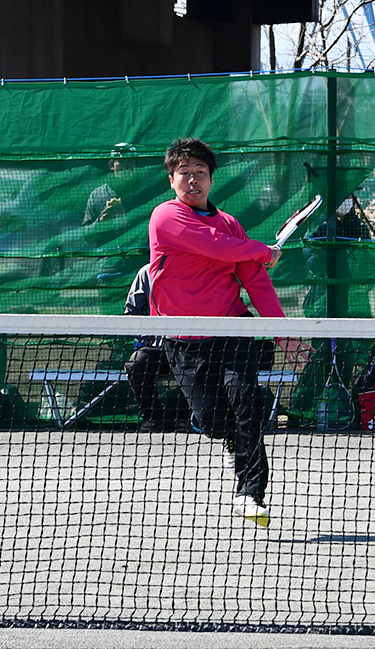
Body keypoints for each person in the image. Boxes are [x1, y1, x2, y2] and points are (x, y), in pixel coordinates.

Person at [149, 137, 304, 528]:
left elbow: (256, 283)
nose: (193, 179)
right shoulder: (165, 217)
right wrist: (263, 251)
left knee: (247, 403)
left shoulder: (231, 224)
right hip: (183, 339)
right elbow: (214, 247)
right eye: (184, 173)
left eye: (200, 172)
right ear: (171, 180)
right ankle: (231, 439)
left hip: (233, 328)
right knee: (215, 421)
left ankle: (250, 492)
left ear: (212, 178)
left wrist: (282, 333)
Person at [123, 264, 188, 433]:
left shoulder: (197, 271)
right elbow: (132, 312)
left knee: (204, 362)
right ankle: (154, 417)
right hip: (157, 350)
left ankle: (184, 417)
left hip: (192, 348)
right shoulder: (146, 272)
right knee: (136, 364)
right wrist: (150, 339)